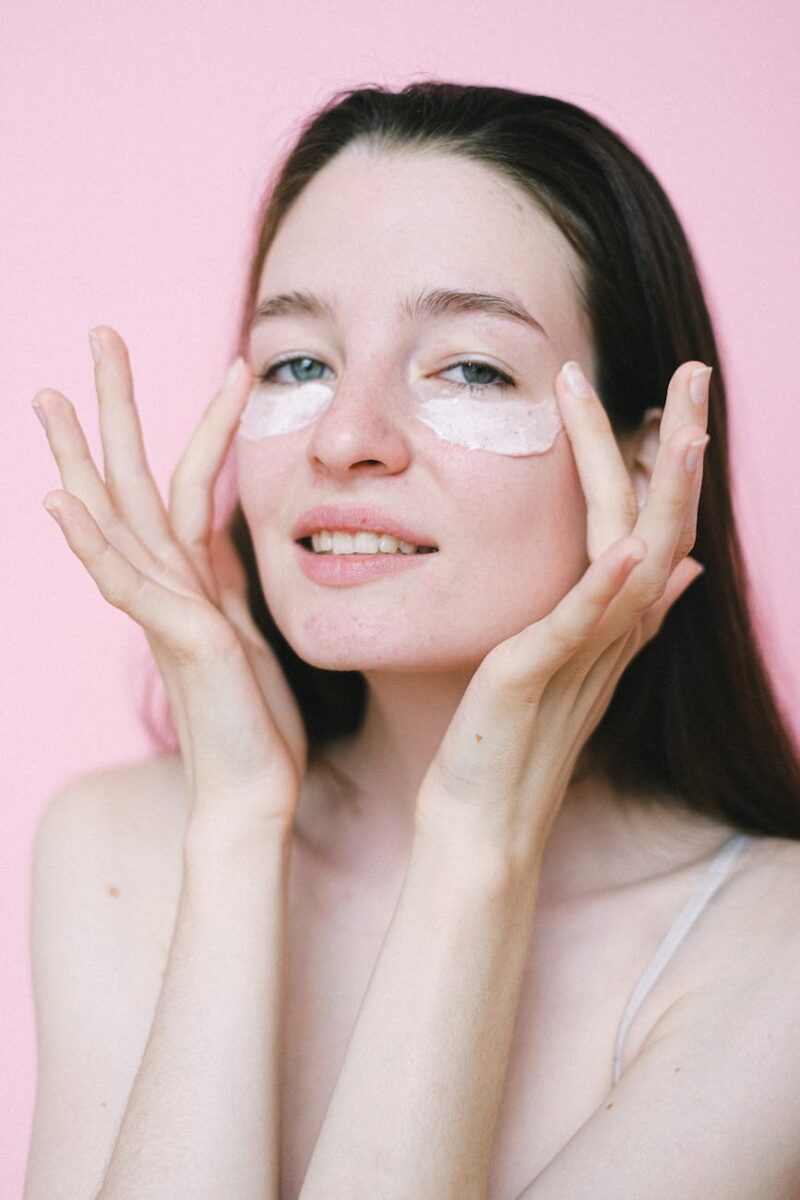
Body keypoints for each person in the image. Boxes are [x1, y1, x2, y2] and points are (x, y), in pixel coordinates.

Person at [24, 81, 800, 1200]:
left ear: (642, 472)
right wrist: (238, 826)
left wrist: (475, 840)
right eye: (298, 363)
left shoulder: (769, 953)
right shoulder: (119, 848)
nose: (344, 435)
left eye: (470, 368)